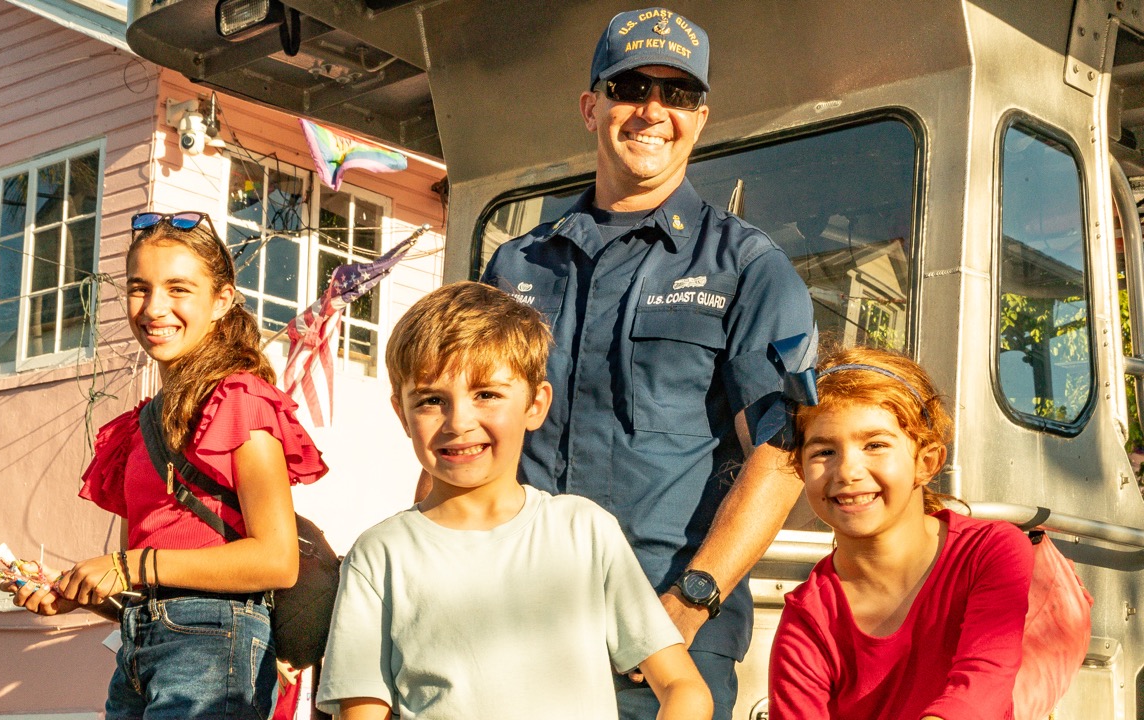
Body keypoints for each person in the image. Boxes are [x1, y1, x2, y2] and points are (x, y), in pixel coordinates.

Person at [477, 7, 816, 718]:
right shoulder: (516, 264)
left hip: (664, 636)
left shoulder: (750, 268)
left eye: (679, 94)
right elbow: (468, 434)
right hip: (517, 618)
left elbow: (782, 456)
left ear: (700, 117)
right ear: (590, 105)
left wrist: (687, 606)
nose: (653, 111)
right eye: (631, 87)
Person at [317, 281, 713, 720]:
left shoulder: (584, 531)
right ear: (401, 415)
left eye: (486, 394)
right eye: (431, 400)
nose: (459, 422)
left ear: (535, 404)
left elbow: (684, 688)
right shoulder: (379, 555)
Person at [0, 211, 327, 720]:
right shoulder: (139, 427)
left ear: (221, 301)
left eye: (178, 289)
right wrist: (78, 593)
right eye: (138, 288)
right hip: (138, 648)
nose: (154, 308)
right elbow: (151, 589)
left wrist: (126, 565)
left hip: (215, 646)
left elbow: (276, 559)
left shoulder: (241, 400)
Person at [768, 347, 1033, 719]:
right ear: (800, 470)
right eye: (824, 451)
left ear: (926, 462)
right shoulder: (807, 621)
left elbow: (982, 683)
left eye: (875, 445)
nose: (847, 471)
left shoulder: (990, 551)